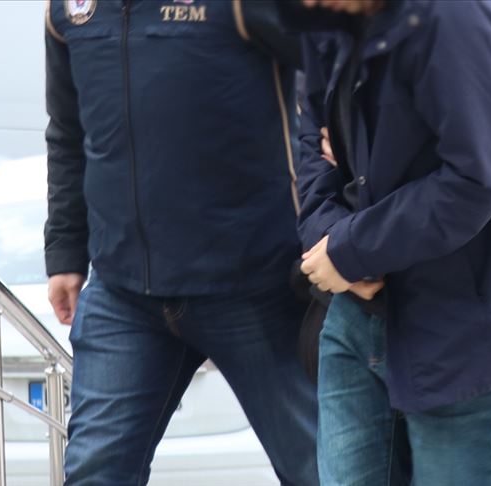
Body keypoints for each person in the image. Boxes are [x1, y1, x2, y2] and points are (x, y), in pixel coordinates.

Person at [287, 0, 491, 483]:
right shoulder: (329, 20)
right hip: (354, 312)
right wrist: (330, 240)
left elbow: (478, 179)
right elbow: (311, 139)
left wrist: (352, 249)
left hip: (462, 330)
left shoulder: (455, 16)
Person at [44, 2, 318, 484]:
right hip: (123, 294)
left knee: (324, 469)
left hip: (255, 285)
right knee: (94, 473)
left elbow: (338, 67)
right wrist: (66, 250)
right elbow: (69, 132)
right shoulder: (68, 9)